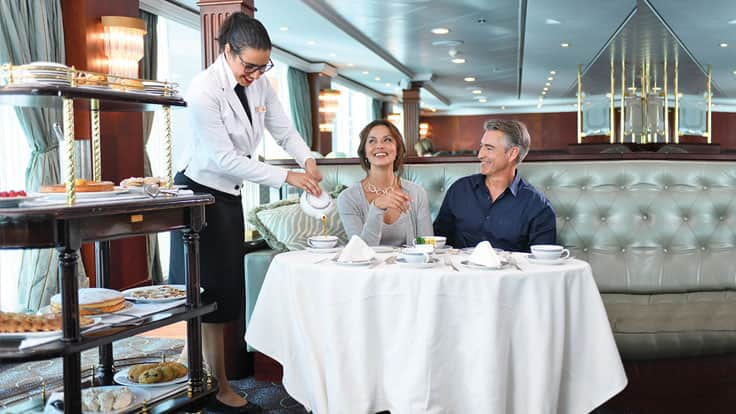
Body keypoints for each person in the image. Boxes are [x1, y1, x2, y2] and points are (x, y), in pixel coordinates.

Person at [169, 13, 322, 413]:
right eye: (249, 65)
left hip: (228, 195)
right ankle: (208, 384)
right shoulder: (203, 89)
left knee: (226, 294)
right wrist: (287, 178)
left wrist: (307, 160)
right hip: (197, 193)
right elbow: (224, 158)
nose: (256, 73)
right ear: (227, 52)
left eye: (263, 65)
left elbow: (284, 130)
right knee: (201, 294)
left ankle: (211, 382)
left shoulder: (262, 85)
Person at [433, 119, 556, 251]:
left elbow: (542, 263)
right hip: (461, 270)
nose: (480, 155)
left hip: (511, 271)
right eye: (481, 146)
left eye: (489, 148)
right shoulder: (459, 190)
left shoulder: (538, 206)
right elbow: (437, 241)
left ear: (512, 153)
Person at [337, 120, 433, 246]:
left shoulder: (417, 193)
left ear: (398, 149)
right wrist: (376, 208)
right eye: (372, 141)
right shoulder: (348, 198)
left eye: (387, 140)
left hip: (409, 266)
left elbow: (427, 245)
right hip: (367, 266)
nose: (380, 146)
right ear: (364, 152)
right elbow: (359, 250)